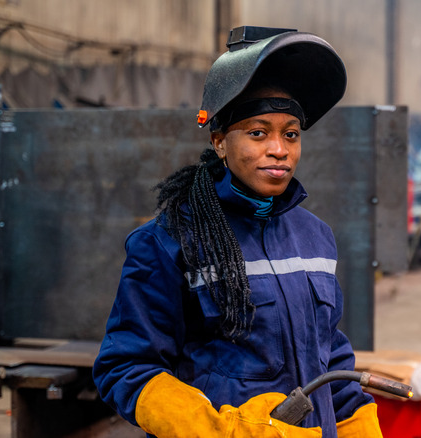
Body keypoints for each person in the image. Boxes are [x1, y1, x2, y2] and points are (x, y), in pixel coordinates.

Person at [92, 26, 381, 438]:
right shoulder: (169, 241)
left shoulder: (315, 236)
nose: (279, 149)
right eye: (258, 133)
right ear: (220, 141)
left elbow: (329, 353)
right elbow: (125, 368)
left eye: (291, 134)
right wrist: (222, 430)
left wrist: (358, 425)